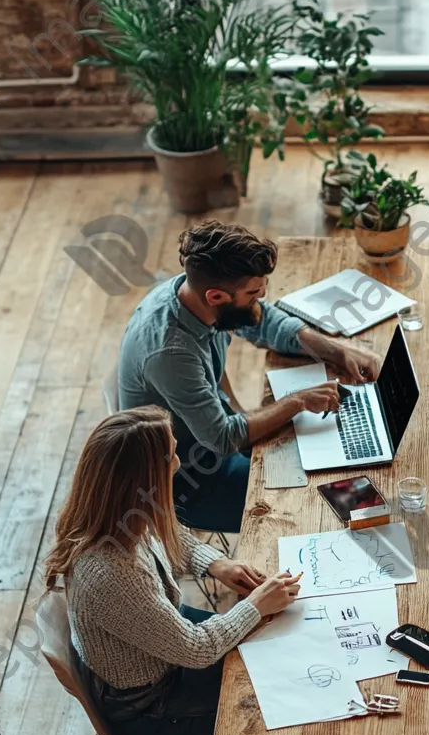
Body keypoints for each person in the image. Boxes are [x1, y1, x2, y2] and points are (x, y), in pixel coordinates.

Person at [44, 407, 301, 735]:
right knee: (290, 692)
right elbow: (196, 650)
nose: (179, 464)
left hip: (167, 639)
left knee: (285, 648)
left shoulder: (112, 513)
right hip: (153, 705)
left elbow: (165, 532)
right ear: (140, 481)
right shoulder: (110, 575)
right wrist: (255, 605)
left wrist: (216, 564)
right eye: (171, 457)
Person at [118, 221, 382, 533]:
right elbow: (222, 438)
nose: (259, 301)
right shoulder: (170, 353)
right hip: (185, 482)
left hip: (213, 439)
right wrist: (297, 400)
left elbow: (265, 322)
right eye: (253, 294)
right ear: (216, 297)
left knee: (339, 468)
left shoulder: (194, 292)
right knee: (318, 500)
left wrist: (338, 352)